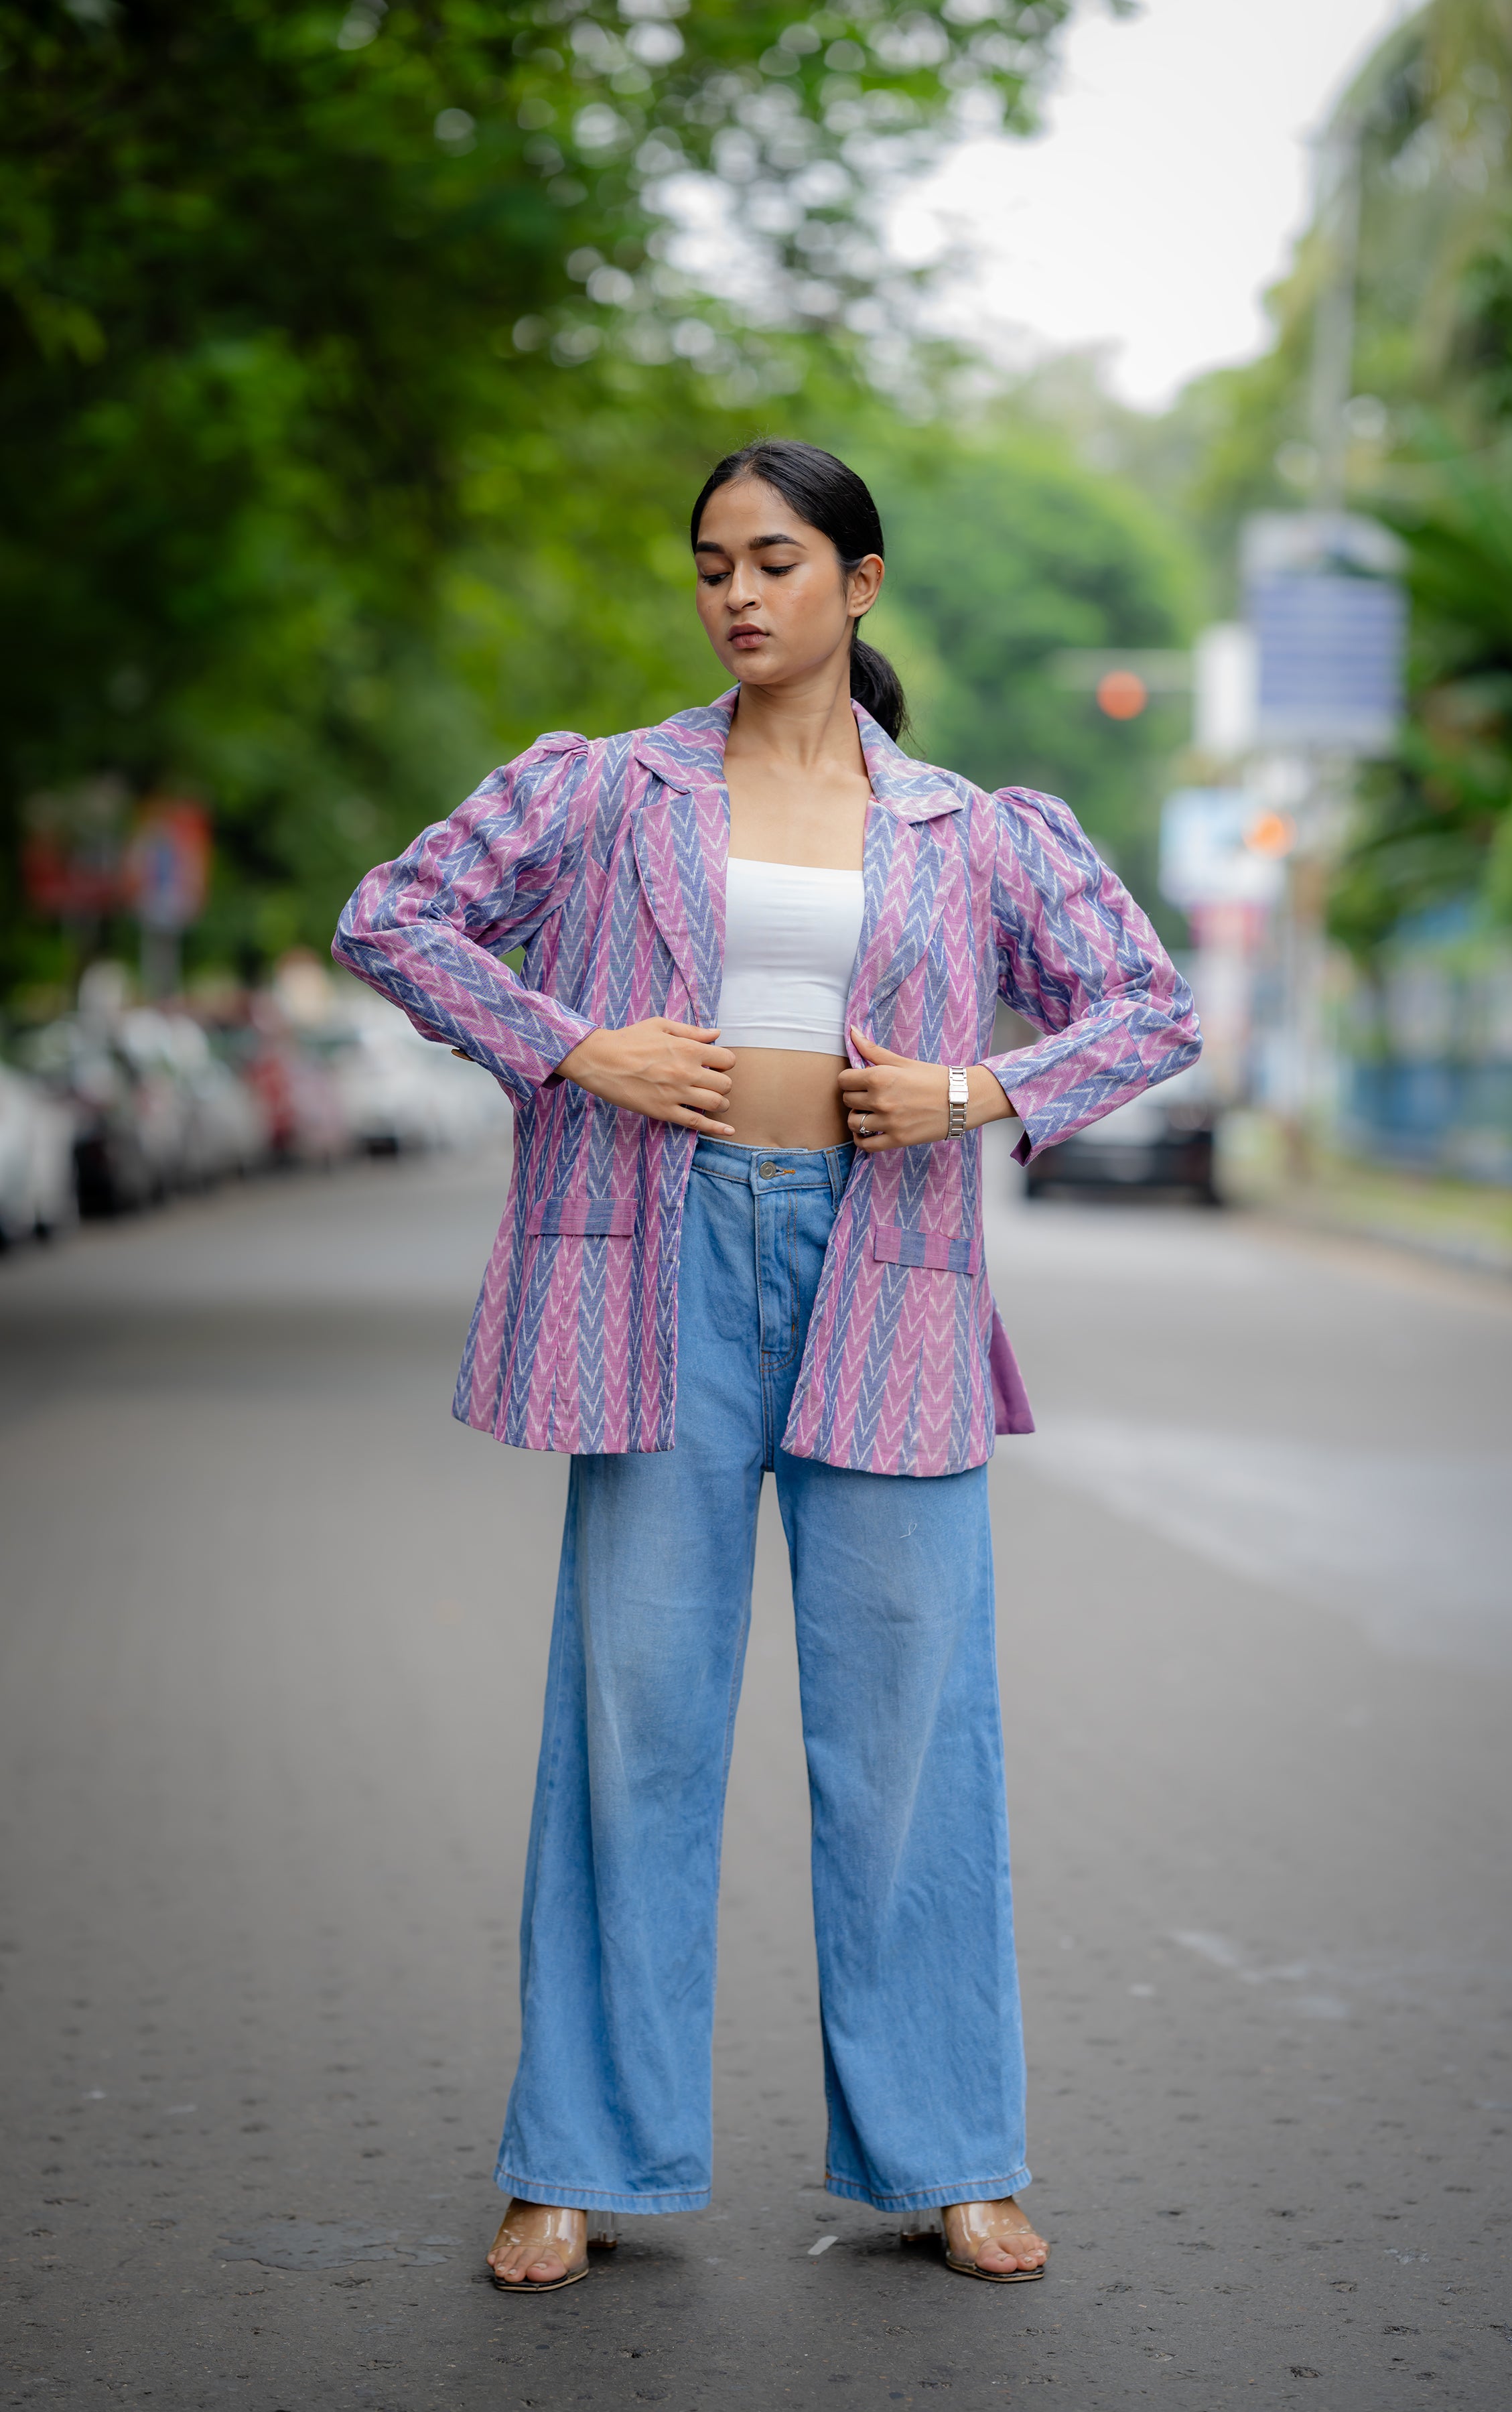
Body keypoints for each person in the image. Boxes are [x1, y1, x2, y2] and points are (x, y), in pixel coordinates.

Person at [334, 439, 1200, 2293]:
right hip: (656, 1268)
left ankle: (952, 2159)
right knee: (634, 1720)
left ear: (861, 583)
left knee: (908, 1738)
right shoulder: (602, 791)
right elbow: (391, 913)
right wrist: (576, 1049)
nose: (738, 593)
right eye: (713, 562)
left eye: (779, 560)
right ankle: (573, 2162)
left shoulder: (982, 831)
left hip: (886, 1273)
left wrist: (979, 1088)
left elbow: (1150, 1005)